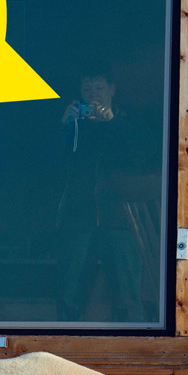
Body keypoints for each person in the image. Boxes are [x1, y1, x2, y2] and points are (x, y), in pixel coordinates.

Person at [56, 73, 159, 324]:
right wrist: (66, 126)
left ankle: (132, 343)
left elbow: (139, 160)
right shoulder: (77, 125)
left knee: (126, 291)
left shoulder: (128, 123)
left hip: (121, 217)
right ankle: (65, 337)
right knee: (71, 289)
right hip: (80, 216)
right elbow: (57, 164)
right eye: (87, 89)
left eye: (99, 88)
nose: (93, 94)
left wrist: (113, 124)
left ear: (112, 89)